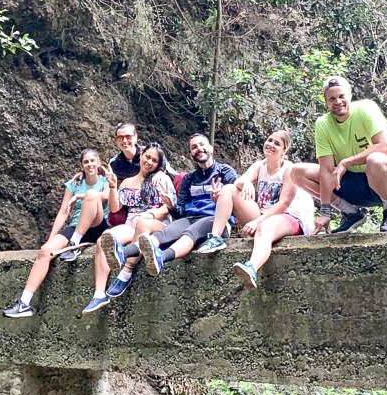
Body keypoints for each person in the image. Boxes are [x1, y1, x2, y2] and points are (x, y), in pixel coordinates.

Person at [190, 130, 315, 290]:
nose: (270, 145)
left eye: (277, 143)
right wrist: (246, 183)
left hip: (290, 216)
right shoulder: (260, 165)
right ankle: (215, 238)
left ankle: (251, 268)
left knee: (264, 228)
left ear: (284, 151)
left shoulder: (289, 170)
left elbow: (283, 204)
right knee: (228, 189)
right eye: (269, 140)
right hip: (264, 214)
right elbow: (239, 182)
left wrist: (257, 221)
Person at [290, 76, 387, 234]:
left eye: (341, 96)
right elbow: (326, 170)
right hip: (355, 186)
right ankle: (351, 213)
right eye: (332, 99)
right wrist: (325, 210)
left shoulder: (366, 108)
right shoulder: (322, 124)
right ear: (326, 102)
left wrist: (346, 162)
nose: (337, 102)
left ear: (350, 96)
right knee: (298, 172)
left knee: (376, 159)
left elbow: (385, 147)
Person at [3, 149, 110, 318]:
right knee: (45, 251)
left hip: (97, 225)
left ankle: (74, 244)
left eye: (92, 161)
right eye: (86, 162)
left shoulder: (105, 181)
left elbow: (104, 196)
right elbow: (63, 213)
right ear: (81, 166)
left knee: (91, 195)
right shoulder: (74, 183)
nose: (89, 164)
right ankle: (24, 303)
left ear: (99, 163)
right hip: (75, 227)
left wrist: (79, 197)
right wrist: (52, 238)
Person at [81, 144, 175, 314]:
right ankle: (99, 294)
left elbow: (168, 207)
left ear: (159, 164)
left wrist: (152, 215)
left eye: (154, 160)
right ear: (141, 156)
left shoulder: (161, 179)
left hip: (157, 224)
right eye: (147, 157)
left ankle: (126, 272)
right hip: (132, 224)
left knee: (142, 223)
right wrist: (112, 186)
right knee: (103, 239)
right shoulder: (128, 182)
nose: (149, 162)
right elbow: (116, 209)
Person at [136, 133, 238, 276]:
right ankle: (122, 252)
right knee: (164, 233)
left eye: (202, 145)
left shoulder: (224, 171)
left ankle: (161, 258)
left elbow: (236, 200)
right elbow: (181, 212)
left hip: (216, 221)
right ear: (191, 154)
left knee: (191, 232)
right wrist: (171, 205)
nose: (199, 149)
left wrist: (219, 200)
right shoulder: (189, 179)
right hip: (190, 218)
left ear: (211, 148)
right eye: (194, 147)